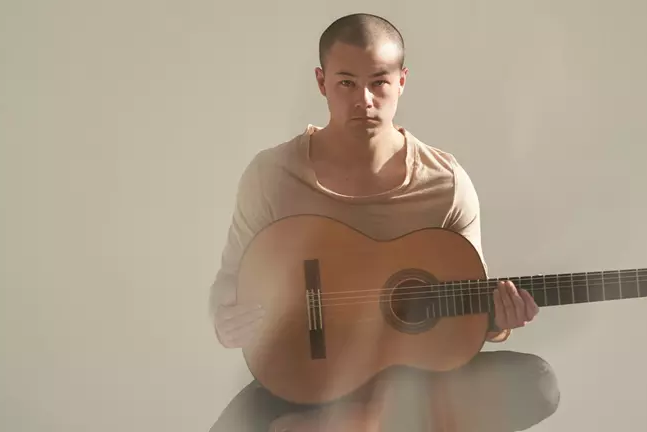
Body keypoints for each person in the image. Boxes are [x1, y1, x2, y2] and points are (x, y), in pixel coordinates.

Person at [208, 13, 560, 432]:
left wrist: (498, 321)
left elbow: (464, 302)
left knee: (537, 383)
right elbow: (228, 282)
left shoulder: (444, 183)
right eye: (346, 83)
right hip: (304, 377)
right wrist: (224, 317)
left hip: (409, 381)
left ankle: (353, 424)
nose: (365, 100)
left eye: (379, 82)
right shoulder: (271, 175)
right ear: (322, 83)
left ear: (402, 81)